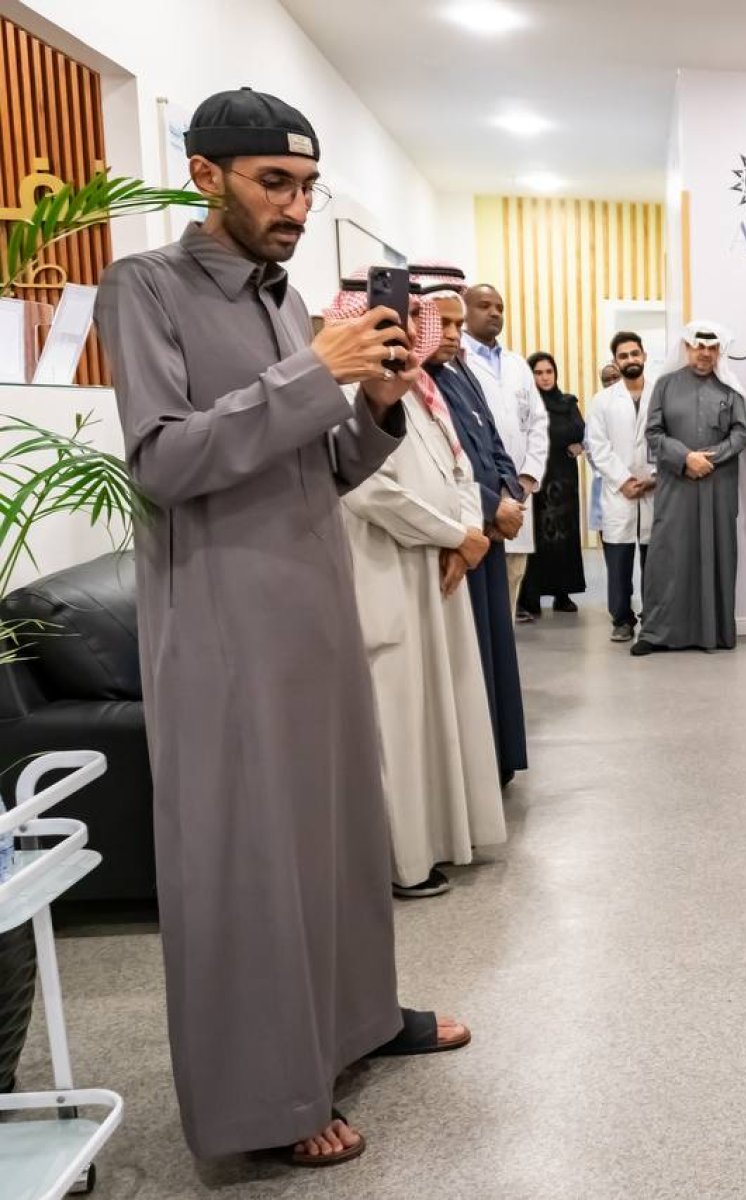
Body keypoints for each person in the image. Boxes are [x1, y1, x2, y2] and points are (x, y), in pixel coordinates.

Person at [94, 86, 468, 1169]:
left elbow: (321, 466)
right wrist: (318, 370)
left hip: (314, 605)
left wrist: (378, 404)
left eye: (307, 186)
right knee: (251, 856)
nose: (296, 206)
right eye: (274, 183)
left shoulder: (282, 297)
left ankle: (355, 1023)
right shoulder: (144, 287)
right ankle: (264, 1102)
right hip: (226, 623)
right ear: (206, 175)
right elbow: (163, 460)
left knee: (337, 830)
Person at [331, 278, 508, 897]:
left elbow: (460, 467)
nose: (404, 331)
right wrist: (455, 535)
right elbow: (366, 490)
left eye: (412, 319)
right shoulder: (348, 390)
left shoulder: (422, 386)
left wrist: (466, 534)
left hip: (440, 568)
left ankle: (446, 839)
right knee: (400, 722)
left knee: (444, 710)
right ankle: (404, 863)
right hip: (391, 571)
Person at [424, 278, 530, 785]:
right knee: (471, 658)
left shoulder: (459, 372)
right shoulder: (416, 382)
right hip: (458, 532)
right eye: (441, 323)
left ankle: (498, 760)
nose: (451, 334)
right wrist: (492, 507)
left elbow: (493, 441)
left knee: (494, 649)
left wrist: (510, 493)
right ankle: (475, 769)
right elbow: (445, 465)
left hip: (489, 528)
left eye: (456, 325)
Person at [633, 321, 746, 656]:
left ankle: (714, 633)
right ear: (687, 347)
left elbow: (741, 434)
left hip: (718, 484)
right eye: (699, 346)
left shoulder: (730, 389)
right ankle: (656, 633)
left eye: (712, 348)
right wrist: (685, 458)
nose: (705, 353)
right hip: (676, 484)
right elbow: (653, 433)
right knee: (668, 555)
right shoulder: (666, 385)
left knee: (716, 553)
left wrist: (708, 458)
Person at [462, 283, 549, 620]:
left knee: (511, 582)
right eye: (484, 305)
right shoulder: (458, 361)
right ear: (465, 310)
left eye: (499, 307)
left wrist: (525, 480)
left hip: (518, 496)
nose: (495, 313)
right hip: (477, 496)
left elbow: (537, 423)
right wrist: (495, 496)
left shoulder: (517, 365)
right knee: (474, 598)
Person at [587, 331, 657, 642]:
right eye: (623, 356)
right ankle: (622, 619)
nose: (630, 360)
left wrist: (654, 477)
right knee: (618, 562)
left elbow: (668, 438)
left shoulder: (660, 394)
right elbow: (597, 446)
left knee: (654, 561)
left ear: (644, 356)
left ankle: (652, 616)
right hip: (619, 491)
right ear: (615, 361)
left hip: (654, 487)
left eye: (634, 354)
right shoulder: (602, 400)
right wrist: (624, 480)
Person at [518, 352, 587, 616]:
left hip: (564, 481)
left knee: (564, 537)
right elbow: (543, 436)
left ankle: (562, 594)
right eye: (538, 373)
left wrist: (579, 444)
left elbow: (580, 431)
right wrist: (566, 440)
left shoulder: (568, 402)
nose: (545, 377)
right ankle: (531, 597)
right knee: (537, 537)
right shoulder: (527, 405)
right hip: (537, 478)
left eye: (549, 372)